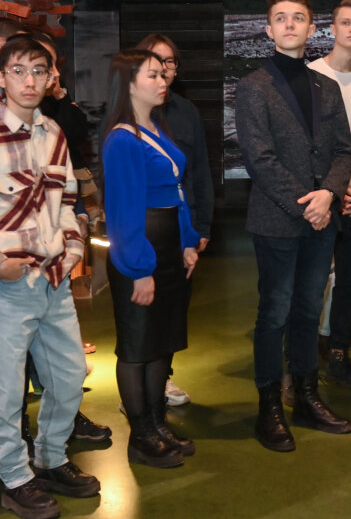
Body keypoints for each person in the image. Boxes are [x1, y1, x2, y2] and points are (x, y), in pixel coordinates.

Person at [235, 0, 351, 452]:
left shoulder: (326, 86)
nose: (289, 24)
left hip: (322, 220)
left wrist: (329, 194)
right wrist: (306, 203)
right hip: (278, 220)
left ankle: (307, 396)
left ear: (311, 29)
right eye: (280, 18)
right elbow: (259, 157)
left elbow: (343, 150)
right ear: (269, 30)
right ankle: (269, 407)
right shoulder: (254, 86)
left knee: (308, 311)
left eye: (298, 18)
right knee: (275, 314)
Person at [0, 36, 100, 519]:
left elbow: (65, 202)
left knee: (70, 375)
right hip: (7, 285)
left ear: (50, 78)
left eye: (38, 70)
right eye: (18, 70)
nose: (29, 80)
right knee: (6, 390)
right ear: (2, 77)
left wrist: (73, 250)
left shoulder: (53, 132)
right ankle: (12, 476)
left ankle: (50, 458)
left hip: (53, 278)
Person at [102, 49, 201, 467]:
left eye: (164, 74)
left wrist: (187, 241)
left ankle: (158, 424)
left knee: (163, 341)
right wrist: (139, 270)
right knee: (137, 346)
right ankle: (141, 436)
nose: (163, 82)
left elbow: (175, 195)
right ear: (128, 84)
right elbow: (123, 212)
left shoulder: (155, 128)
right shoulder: (122, 138)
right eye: (153, 75)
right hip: (139, 252)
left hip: (168, 248)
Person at [136, 33, 215, 408]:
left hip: (181, 230)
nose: (163, 69)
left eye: (169, 62)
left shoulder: (186, 112)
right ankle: (138, 392)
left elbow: (199, 172)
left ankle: (161, 380)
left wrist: (201, 228)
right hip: (143, 231)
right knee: (142, 316)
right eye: (154, 61)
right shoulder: (127, 115)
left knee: (172, 313)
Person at [308, 0, 351, 392]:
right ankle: (300, 358)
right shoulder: (311, 77)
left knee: (350, 281)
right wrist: (331, 190)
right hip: (321, 199)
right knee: (312, 282)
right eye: (345, 22)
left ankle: (338, 354)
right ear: (332, 29)